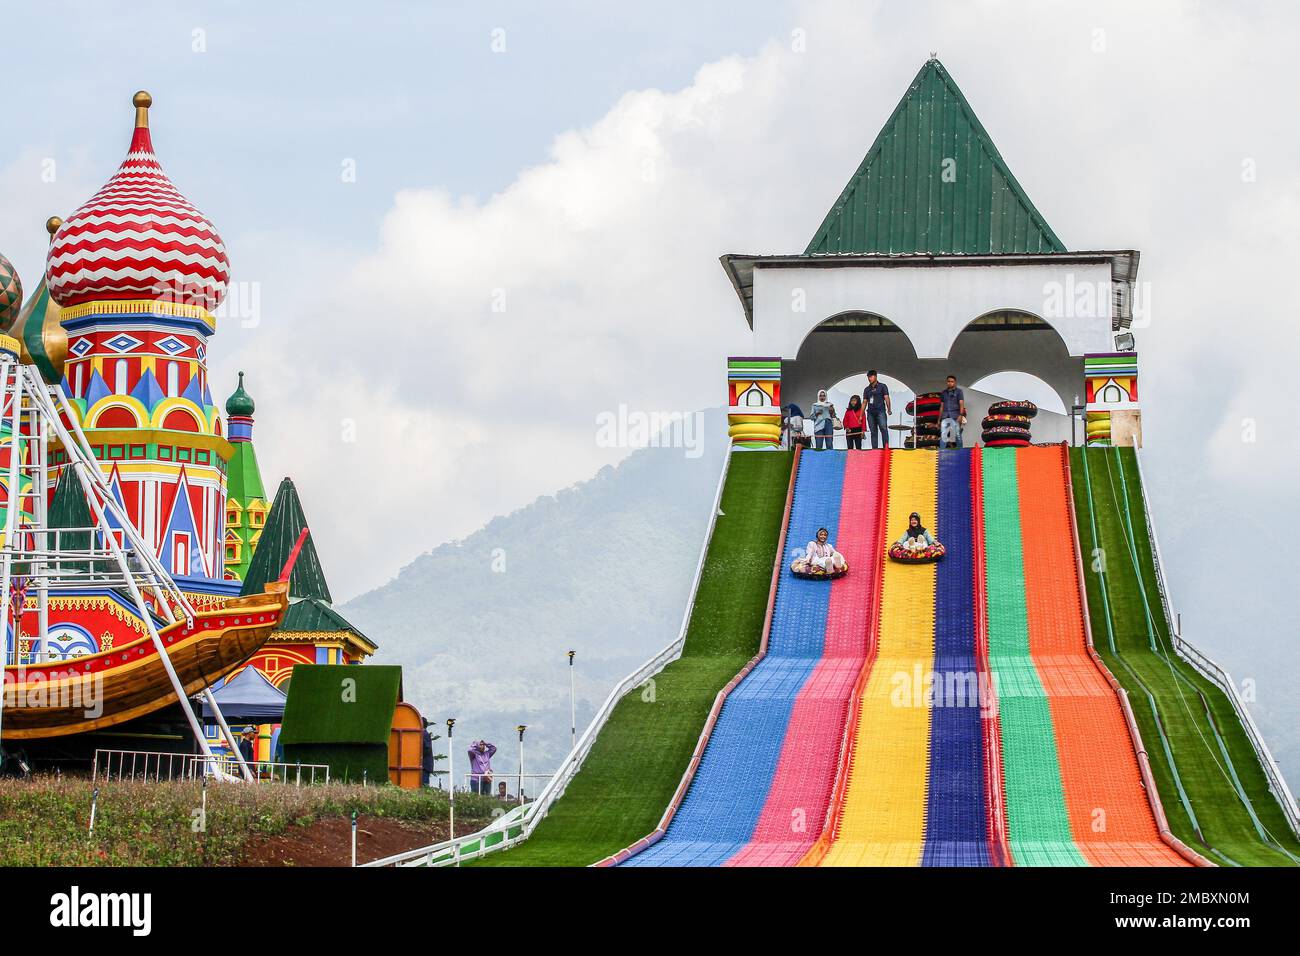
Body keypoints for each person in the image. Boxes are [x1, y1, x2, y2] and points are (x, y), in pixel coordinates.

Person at [862, 370, 892, 449]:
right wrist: (861, 415)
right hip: (870, 413)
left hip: (880, 411)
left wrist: (889, 409)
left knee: (883, 428)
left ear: (875, 376)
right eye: (868, 377)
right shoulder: (867, 389)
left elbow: (886, 397)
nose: (869, 378)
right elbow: (864, 402)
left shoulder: (882, 386)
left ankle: (886, 447)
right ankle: (874, 449)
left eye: (871, 377)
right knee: (873, 431)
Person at [939, 375, 966, 449]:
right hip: (945, 416)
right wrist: (939, 420)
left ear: (955, 382)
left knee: (957, 435)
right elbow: (941, 406)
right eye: (948, 381)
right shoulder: (943, 393)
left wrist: (961, 415)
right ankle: (942, 453)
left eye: (952, 381)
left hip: (955, 416)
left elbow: (961, 404)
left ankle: (960, 451)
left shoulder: (959, 392)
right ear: (946, 382)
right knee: (943, 435)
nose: (950, 383)